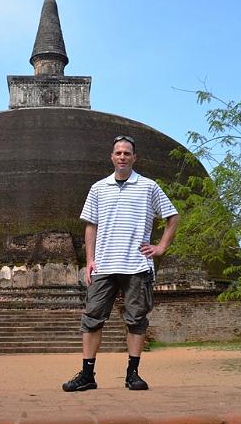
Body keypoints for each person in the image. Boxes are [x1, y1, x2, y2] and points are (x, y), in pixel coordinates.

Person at [62, 135, 179, 392]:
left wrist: (161, 247)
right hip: (104, 264)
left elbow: (173, 217)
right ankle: (87, 374)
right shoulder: (98, 188)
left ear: (134, 158)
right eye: (118, 153)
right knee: (92, 318)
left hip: (137, 265)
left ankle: (132, 374)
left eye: (127, 153)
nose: (123, 157)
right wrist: (90, 260)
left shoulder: (149, 187)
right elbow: (90, 226)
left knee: (136, 319)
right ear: (112, 157)